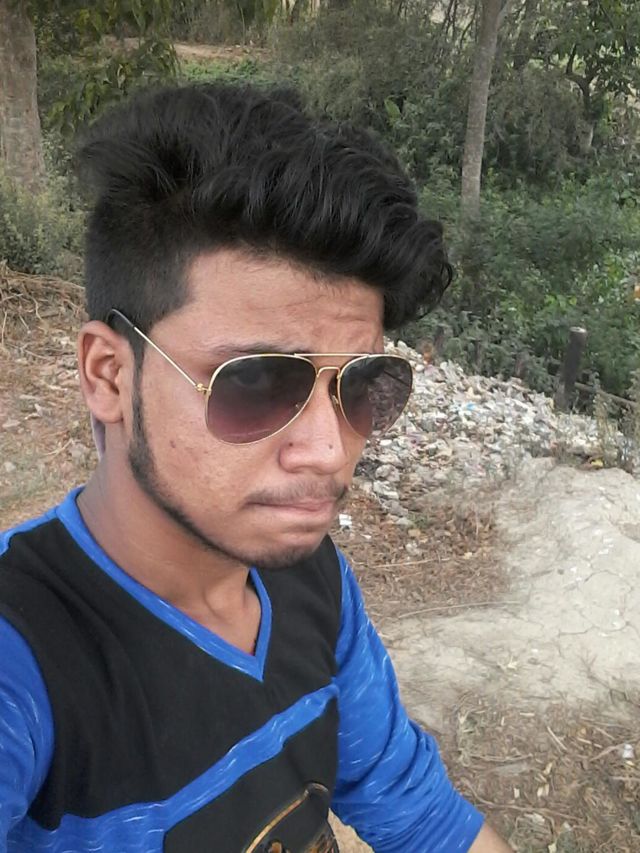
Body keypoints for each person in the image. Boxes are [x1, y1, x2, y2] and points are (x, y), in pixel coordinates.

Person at [0, 83, 512, 853]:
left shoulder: (312, 582)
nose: (329, 449)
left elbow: (417, 811)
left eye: (363, 385)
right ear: (108, 375)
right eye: (258, 380)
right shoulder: (26, 656)